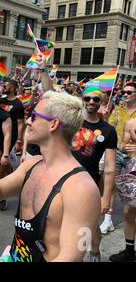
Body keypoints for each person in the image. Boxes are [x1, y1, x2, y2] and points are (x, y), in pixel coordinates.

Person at [0, 91, 101, 262]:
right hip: (17, 257)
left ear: (53, 124)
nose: (28, 121)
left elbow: (72, 257)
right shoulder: (32, 165)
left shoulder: (82, 188)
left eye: (34, 116)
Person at [71, 86, 117, 262]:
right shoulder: (72, 121)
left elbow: (110, 167)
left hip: (88, 184)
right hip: (64, 181)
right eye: (87, 98)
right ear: (82, 99)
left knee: (88, 225)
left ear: (101, 102)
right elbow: (50, 96)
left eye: (96, 99)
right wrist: (43, 71)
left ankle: (94, 252)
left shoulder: (108, 130)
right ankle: (75, 256)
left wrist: (105, 197)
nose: (91, 102)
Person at [104, 82, 136, 235]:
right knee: (110, 186)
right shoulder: (117, 110)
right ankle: (108, 220)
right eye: (124, 92)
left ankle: (130, 220)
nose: (125, 94)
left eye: (129, 92)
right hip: (117, 152)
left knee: (131, 192)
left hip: (134, 157)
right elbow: (110, 129)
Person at [109, 117, 136, 262]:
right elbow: (122, 146)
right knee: (128, 211)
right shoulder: (131, 123)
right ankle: (129, 251)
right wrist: (124, 148)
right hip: (132, 168)